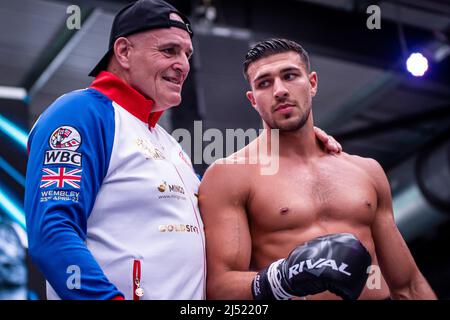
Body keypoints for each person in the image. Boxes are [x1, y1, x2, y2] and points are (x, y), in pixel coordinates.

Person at [24, 1, 339, 300]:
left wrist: (299, 144)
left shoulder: (169, 144)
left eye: (187, 53)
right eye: (169, 51)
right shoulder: (80, 112)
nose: (182, 65)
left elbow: (229, 208)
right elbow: (52, 233)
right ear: (123, 51)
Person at [198, 39, 437, 300]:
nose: (279, 90)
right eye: (264, 83)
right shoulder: (230, 175)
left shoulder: (366, 170)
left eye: (289, 76)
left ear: (312, 83)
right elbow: (219, 288)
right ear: (252, 99)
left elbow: (408, 283)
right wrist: (282, 277)